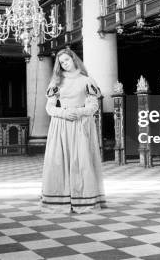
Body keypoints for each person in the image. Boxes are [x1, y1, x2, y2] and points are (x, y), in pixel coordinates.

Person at [40, 48, 105, 213]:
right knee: (59, 162)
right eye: (61, 62)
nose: (64, 64)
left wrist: (78, 112)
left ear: (74, 59)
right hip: (60, 125)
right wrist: (64, 113)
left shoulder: (87, 80)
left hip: (80, 123)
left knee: (80, 161)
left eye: (67, 60)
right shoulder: (56, 82)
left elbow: (93, 106)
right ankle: (60, 199)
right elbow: (49, 107)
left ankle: (83, 198)